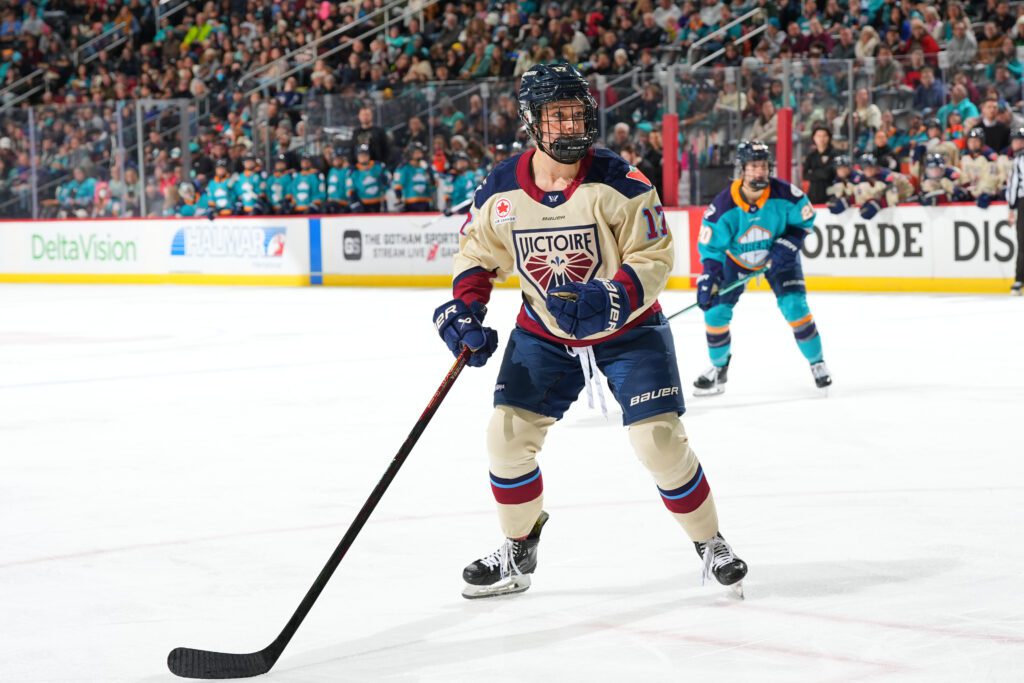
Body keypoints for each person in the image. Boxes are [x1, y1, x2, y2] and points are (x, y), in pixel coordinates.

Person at [433, 63, 748, 600]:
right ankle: (517, 548)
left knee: (659, 442)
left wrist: (612, 296)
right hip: (544, 335)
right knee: (505, 439)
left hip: (628, 332)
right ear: (532, 121)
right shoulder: (501, 189)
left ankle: (710, 541)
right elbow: (478, 254)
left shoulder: (620, 181)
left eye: (576, 111)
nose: (570, 124)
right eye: (557, 115)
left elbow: (653, 255)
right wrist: (464, 310)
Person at [694, 140, 831, 395]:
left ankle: (817, 362)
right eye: (754, 166)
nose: (760, 171)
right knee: (714, 314)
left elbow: (804, 222)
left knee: (795, 308)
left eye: (764, 166)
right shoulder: (723, 207)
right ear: (742, 169)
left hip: (779, 258)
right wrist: (708, 277)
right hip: (737, 261)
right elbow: (711, 249)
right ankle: (718, 368)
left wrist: (787, 245)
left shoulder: (786, 195)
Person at [1007, 128, 1024, 294]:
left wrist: (1011, 208)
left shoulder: (1018, 160)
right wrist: (1012, 208)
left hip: (1022, 201)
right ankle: (1019, 279)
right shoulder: (1017, 160)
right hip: (1022, 202)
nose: (1018, 143)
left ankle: (1019, 280)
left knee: (1022, 242)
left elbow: (1013, 185)